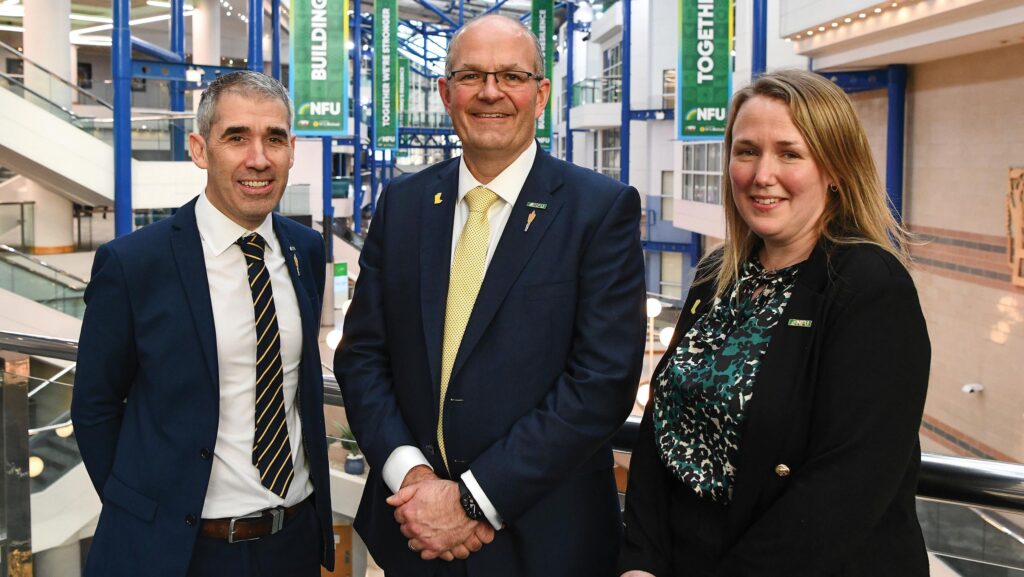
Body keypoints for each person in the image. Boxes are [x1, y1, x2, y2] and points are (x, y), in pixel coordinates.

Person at [334, 14, 646, 577]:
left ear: (541, 93)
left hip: (546, 542)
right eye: (472, 75)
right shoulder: (403, 205)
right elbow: (360, 356)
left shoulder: (599, 209)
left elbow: (601, 380)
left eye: (511, 76)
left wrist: (473, 499)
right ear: (445, 92)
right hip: (413, 532)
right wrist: (414, 478)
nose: (491, 92)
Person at [619, 69, 931, 577]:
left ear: (835, 169)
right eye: (746, 151)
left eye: (789, 153)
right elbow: (661, 427)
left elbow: (846, 487)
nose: (763, 174)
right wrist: (639, 561)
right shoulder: (717, 275)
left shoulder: (870, 288)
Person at [71, 71, 334, 577]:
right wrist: (144, 517)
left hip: (292, 541)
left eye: (274, 138)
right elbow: (94, 408)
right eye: (236, 137)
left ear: (291, 150)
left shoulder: (306, 249)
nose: (258, 158)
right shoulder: (134, 264)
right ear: (199, 148)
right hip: (183, 551)